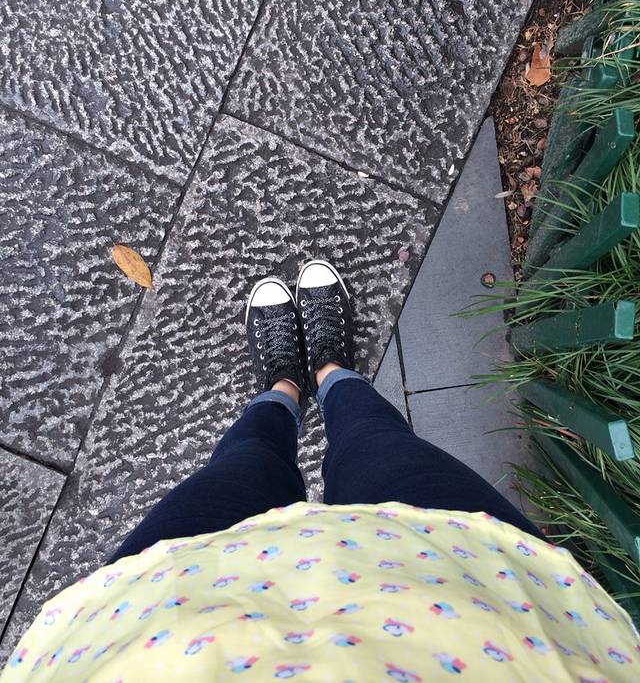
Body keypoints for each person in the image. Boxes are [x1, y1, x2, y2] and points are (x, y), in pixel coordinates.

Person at [2, 259, 638, 682]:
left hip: (163, 630)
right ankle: (330, 371)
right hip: (464, 613)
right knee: (375, 444)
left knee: (248, 465)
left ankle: (286, 383)